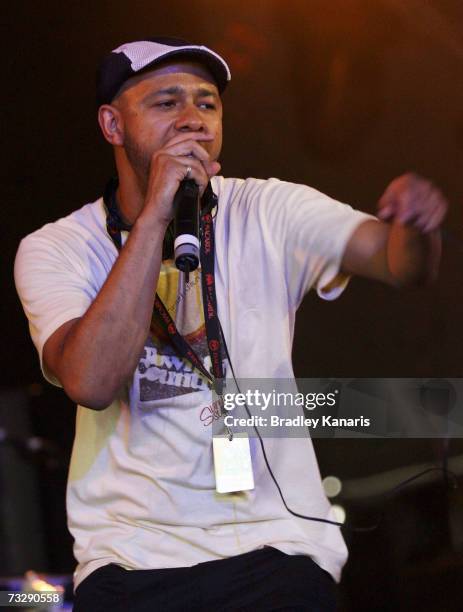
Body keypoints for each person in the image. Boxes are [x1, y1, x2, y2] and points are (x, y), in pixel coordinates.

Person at [14, 37, 447, 611]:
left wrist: (414, 227)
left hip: (279, 549)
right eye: (166, 103)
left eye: (207, 102)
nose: (193, 118)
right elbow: (91, 382)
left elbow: (398, 263)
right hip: (132, 562)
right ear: (112, 125)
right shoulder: (57, 248)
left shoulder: (269, 209)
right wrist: (155, 220)